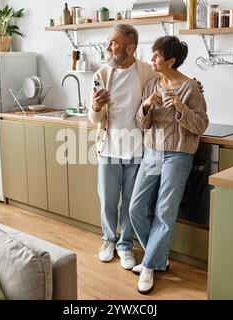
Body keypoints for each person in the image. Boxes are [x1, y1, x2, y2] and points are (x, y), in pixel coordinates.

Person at [129, 36, 209, 294]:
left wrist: (179, 107)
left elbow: (201, 124)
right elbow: (142, 123)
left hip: (177, 155)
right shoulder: (152, 83)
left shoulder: (190, 88)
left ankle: (150, 265)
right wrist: (145, 106)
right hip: (152, 153)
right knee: (136, 208)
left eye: (156, 56)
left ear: (171, 61)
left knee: (165, 213)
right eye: (152, 55)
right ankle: (159, 257)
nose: (152, 59)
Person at [88, 24, 158, 270]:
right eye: (108, 42)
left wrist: (194, 87)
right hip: (108, 148)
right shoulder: (102, 75)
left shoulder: (148, 72)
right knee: (107, 200)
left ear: (130, 48)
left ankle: (125, 245)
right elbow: (94, 119)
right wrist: (96, 108)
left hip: (138, 150)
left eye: (113, 43)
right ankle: (108, 240)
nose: (108, 47)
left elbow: (171, 82)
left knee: (130, 202)